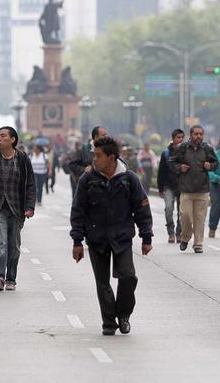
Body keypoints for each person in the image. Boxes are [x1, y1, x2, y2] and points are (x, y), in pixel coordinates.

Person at [70, 136, 153, 336]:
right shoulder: (87, 179)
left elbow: (141, 207)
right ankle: (109, 322)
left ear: (112, 157)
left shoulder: (129, 178)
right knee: (103, 282)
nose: (94, 160)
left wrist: (146, 237)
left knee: (128, 277)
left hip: (122, 237)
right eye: (93, 155)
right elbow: (78, 210)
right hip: (96, 238)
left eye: (98, 156)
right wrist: (77, 241)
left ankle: (123, 314)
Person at [0, 126, 36, 291]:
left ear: (12, 140)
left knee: (14, 246)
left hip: (17, 209)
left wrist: (29, 207)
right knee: (0, 243)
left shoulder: (22, 159)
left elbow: (30, 184)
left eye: (3, 136)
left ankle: (11, 278)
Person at [169, 125, 218, 253]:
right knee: (185, 216)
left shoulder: (207, 148)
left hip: (202, 190)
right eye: (196, 134)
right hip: (186, 189)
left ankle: (198, 244)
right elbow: (171, 162)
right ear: (191, 135)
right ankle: (185, 237)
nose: (198, 136)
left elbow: (215, 163)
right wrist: (180, 167)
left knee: (200, 219)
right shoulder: (183, 148)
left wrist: (210, 166)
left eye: (201, 134)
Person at [157, 129, 184, 243]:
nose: (180, 139)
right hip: (168, 186)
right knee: (169, 209)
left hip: (182, 186)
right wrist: (160, 188)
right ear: (173, 139)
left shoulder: (186, 153)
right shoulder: (166, 153)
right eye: (178, 137)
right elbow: (161, 171)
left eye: (182, 137)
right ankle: (171, 232)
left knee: (182, 212)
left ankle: (179, 233)